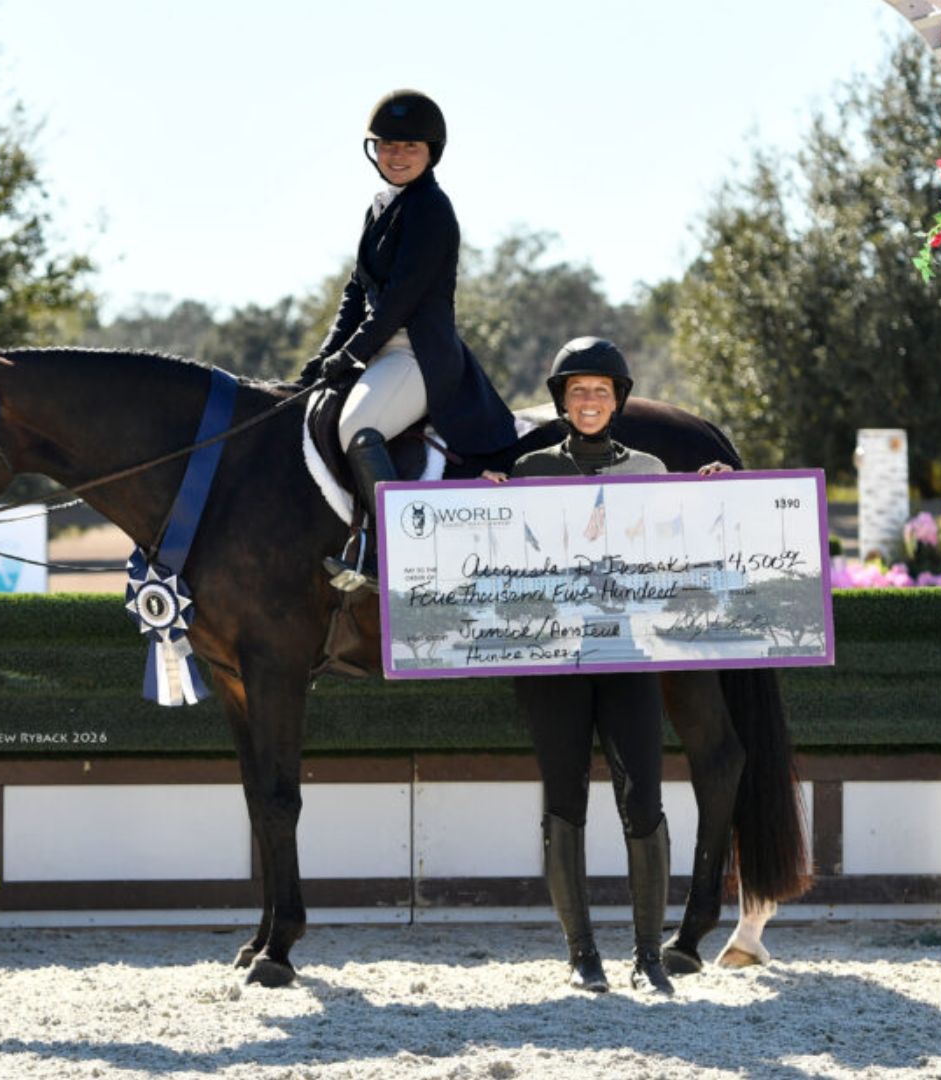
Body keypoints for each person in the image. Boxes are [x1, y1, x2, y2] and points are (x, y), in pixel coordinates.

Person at [483, 337, 731, 994]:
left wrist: (706, 495)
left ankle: (649, 955)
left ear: (617, 399)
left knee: (642, 799)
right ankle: (581, 953)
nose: (588, 401)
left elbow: (679, 541)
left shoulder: (650, 468)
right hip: (552, 660)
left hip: (629, 653)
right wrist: (485, 506)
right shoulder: (530, 470)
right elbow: (506, 557)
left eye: (600, 390)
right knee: (564, 800)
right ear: (562, 401)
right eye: (576, 391)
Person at [304, 88, 516, 589]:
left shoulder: (432, 209)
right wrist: (326, 356)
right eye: (387, 146)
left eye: (410, 147)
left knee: (359, 425)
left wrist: (352, 353)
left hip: (418, 353)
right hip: (379, 349)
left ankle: (390, 552)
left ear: (430, 153)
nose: (396, 156)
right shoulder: (380, 205)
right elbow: (357, 290)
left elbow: (400, 298)